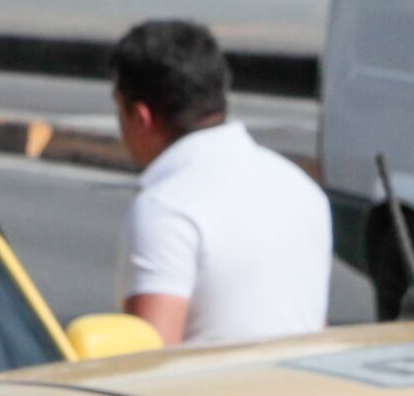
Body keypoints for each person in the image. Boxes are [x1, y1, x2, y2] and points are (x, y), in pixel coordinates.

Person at [110, 19, 334, 348]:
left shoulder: (167, 208)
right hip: (300, 395)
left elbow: (146, 360)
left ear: (141, 118)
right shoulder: (302, 189)